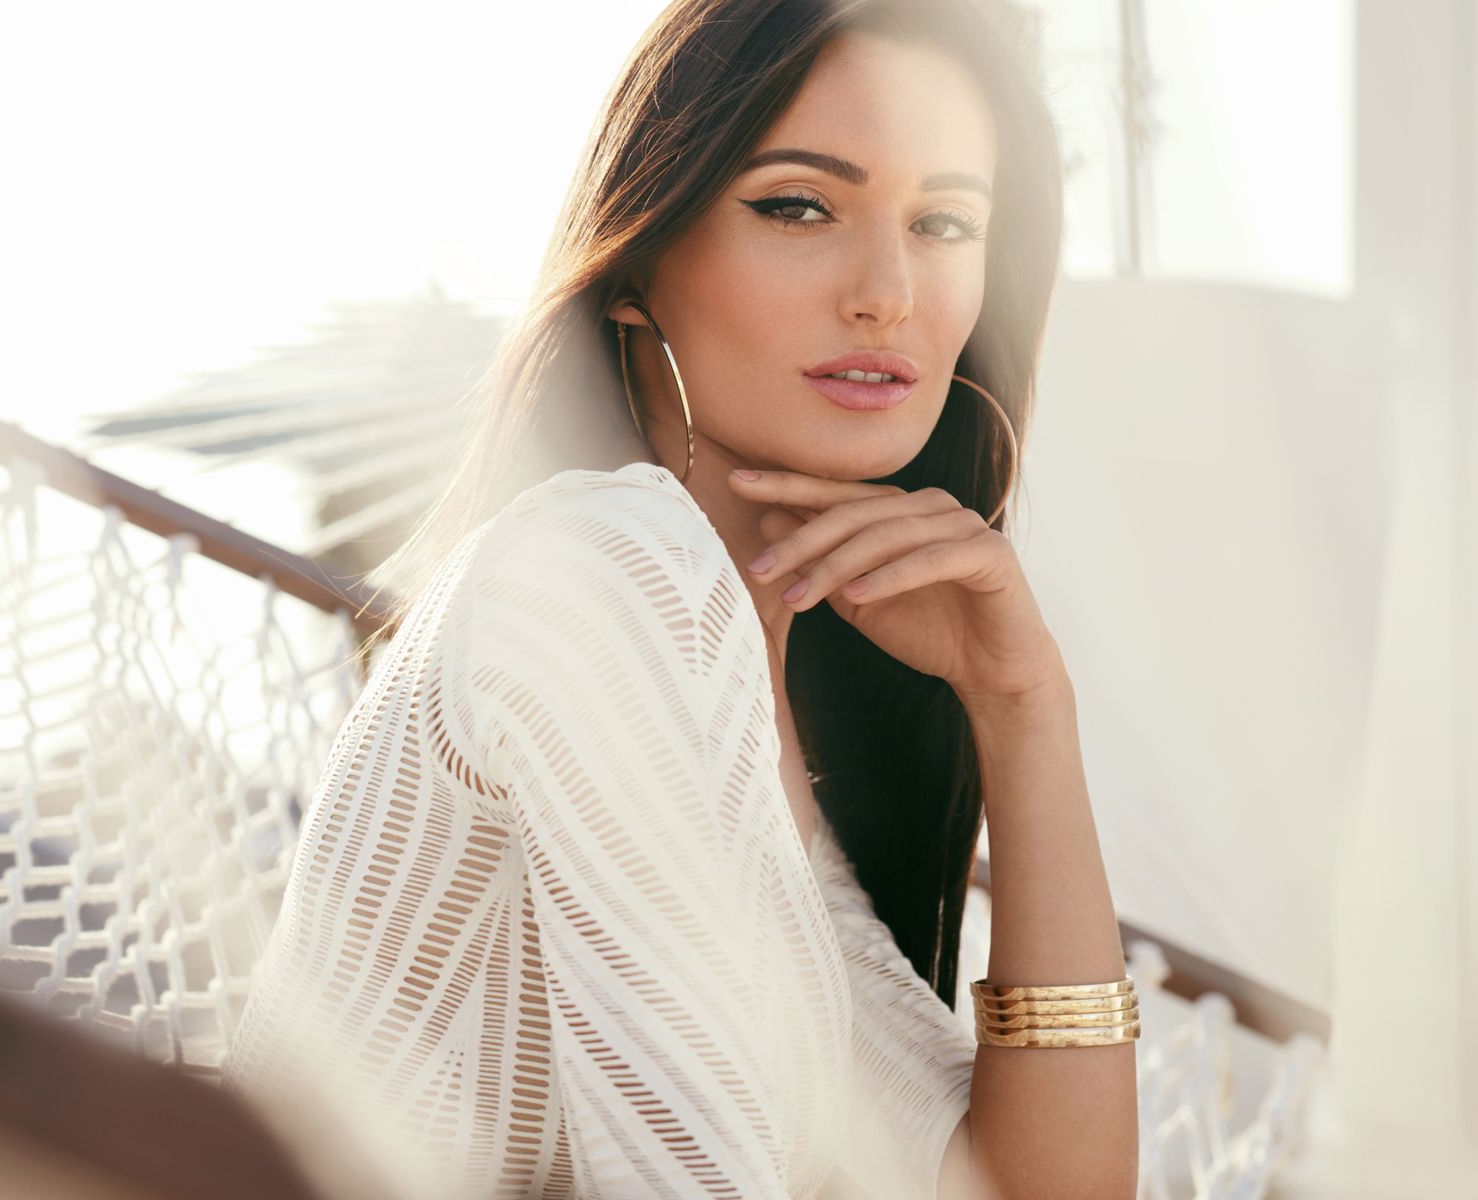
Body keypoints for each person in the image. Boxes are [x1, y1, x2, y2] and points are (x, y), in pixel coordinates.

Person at [219, 1, 1139, 1196]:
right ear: (637, 264)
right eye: (798, 206)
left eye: (945, 222)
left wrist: (1024, 708)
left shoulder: (754, 729)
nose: (889, 292)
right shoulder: (608, 564)